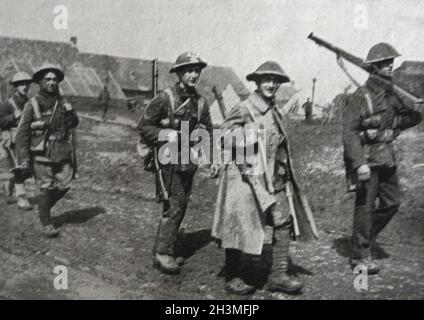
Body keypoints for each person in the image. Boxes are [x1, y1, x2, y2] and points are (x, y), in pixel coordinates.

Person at [212, 61, 318, 295]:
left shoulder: (276, 110)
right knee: (240, 224)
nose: (271, 84)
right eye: (266, 80)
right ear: (257, 83)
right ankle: (233, 276)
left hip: (274, 177)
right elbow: (224, 136)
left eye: (275, 80)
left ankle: (278, 275)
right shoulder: (245, 108)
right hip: (245, 178)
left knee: (283, 221)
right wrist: (243, 139)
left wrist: (284, 173)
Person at [343, 43, 422, 274]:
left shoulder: (393, 95)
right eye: (386, 63)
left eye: (391, 62)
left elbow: (408, 119)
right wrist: (359, 164)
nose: (391, 66)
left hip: (387, 158)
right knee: (365, 208)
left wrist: (416, 110)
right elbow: (348, 133)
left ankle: (363, 239)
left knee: (392, 202)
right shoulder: (361, 96)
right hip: (367, 160)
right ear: (374, 67)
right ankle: (360, 256)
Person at [137, 52, 214, 275]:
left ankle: (166, 247)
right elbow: (144, 126)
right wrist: (166, 135)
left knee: (181, 206)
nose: (193, 75)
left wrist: (209, 157)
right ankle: (162, 253)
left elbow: (207, 131)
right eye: (188, 70)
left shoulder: (200, 102)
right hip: (167, 161)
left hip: (188, 162)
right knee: (174, 207)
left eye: (196, 71)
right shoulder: (165, 98)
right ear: (179, 73)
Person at [15, 63, 80, 237]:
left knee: (66, 183)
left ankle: (44, 208)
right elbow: (22, 133)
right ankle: (46, 222)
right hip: (41, 153)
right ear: (41, 82)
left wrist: (72, 113)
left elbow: (74, 123)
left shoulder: (63, 101)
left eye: (54, 79)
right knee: (46, 187)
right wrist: (23, 159)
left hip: (62, 151)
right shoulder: (33, 103)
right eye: (48, 79)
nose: (52, 82)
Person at [0, 72, 33, 210]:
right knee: (20, 168)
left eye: (26, 83)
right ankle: (21, 198)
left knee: (30, 170)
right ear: (15, 87)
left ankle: (10, 182)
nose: (24, 86)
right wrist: (13, 116)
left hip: (28, 140)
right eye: (21, 84)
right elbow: (1, 122)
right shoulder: (8, 104)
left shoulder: (31, 103)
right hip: (12, 140)